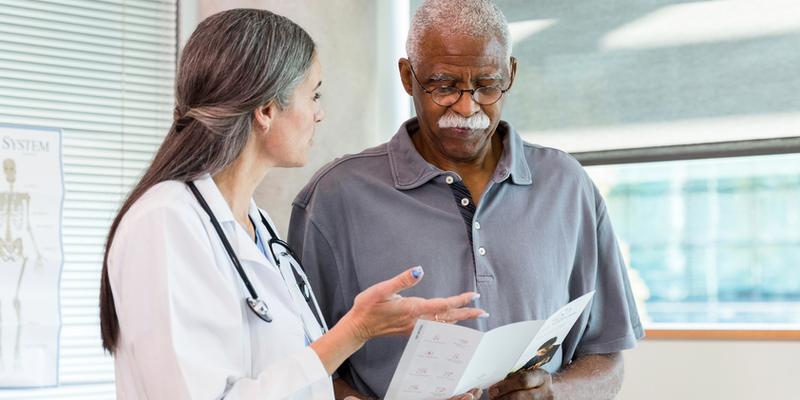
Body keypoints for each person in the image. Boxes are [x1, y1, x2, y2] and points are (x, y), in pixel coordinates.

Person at [97, 9, 487, 400]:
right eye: (313, 94)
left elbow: (291, 384)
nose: (320, 113)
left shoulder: (257, 226)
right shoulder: (166, 221)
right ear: (266, 110)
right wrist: (356, 330)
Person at [288, 1, 644, 399]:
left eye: (488, 85)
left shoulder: (568, 186)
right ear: (408, 76)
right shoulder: (336, 197)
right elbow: (299, 367)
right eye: (444, 86)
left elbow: (607, 359)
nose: (466, 106)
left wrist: (553, 393)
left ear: (511, 73)